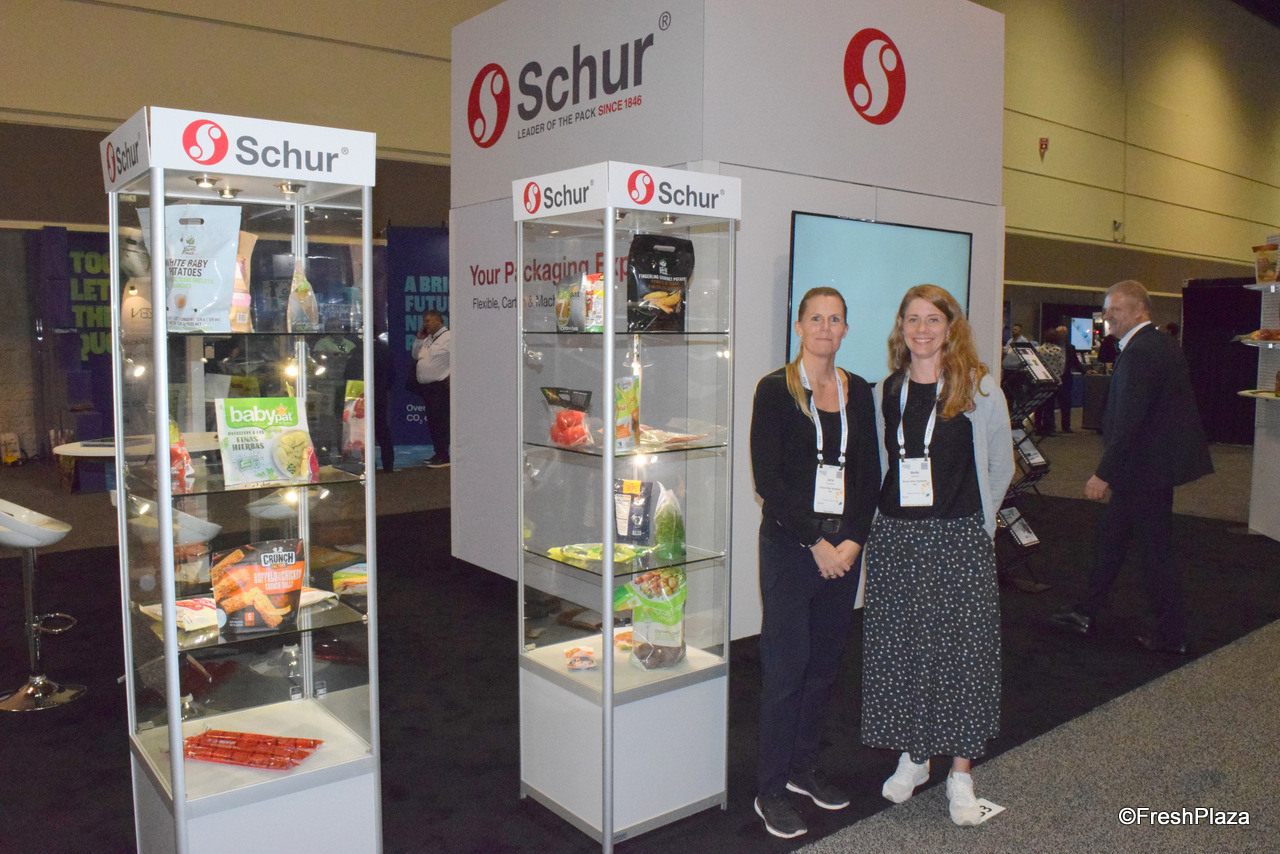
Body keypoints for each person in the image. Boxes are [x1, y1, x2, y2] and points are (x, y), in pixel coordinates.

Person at [861, 284, 1014, 827]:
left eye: (932, 319)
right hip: (898, 541)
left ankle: (961, 772)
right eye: (912, 319)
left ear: (951, 327)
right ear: (900, 328)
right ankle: (916, 753)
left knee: (964, 654)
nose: (922, 330)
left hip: (958, 540)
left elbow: (1000, 464)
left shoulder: (978, 387)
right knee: (905, 650)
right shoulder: (887, 389)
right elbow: (882, 465)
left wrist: (980, 525)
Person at [749, 286, 880, 839]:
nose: (826, 328)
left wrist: (852, 541)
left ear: (846, 329)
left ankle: (803, 768)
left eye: (836, 319)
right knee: (786, 671)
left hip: (843, 551)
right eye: (816, 318)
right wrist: (816, 542)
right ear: (799, 326)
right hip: (791, 548)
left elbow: (869, 474)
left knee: (824, 666)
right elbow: (768, 480)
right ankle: (770, 789)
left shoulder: (859, 391)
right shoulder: (775, 390)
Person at [1049, 281, 1213, 654]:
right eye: (1107, 309)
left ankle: (1171, 635)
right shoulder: (1157, 345)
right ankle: (1085, 611)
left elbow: (1130, 421)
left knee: (1154, 554)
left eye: (1116, 309)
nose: (1107, 317)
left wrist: (1102, 474)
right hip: (1146, 470)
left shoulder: (1143, 351)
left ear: (1140, 310)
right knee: (1112, 542)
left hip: (1143, 473)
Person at [412, 310, 451, 467]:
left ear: (438, 320)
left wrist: (452, 376)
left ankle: (444, 456)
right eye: (424, 321)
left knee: (440, 422)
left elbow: (461, 358)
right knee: (433, 423)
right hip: (427, 388)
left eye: (428, 321)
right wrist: (419, 339)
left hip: (440, 387)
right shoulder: (428, 339)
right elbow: (415, 355)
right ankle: (438, 453)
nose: (425, 324)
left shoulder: (449, 338)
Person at [1034, 327, 1066, 434]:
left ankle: (1037, 426)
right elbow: (1061, 367)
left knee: (1039, 404)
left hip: (1041, 380)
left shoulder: (1039, 350)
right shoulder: (1058, 351)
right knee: (1050, 405)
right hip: (1054, 381)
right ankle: (1049, 427)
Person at [1054, 325, 1081, 432]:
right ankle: (1050, 426)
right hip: (1054, 378)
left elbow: (1075, 362)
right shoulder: (1052, 347)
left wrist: (1085, 371)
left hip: (1066, 377)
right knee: (1050, 402)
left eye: (1063, 333)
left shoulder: (1070, 348)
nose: (1061, 335)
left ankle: (1066, 426)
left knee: (1066, 402)